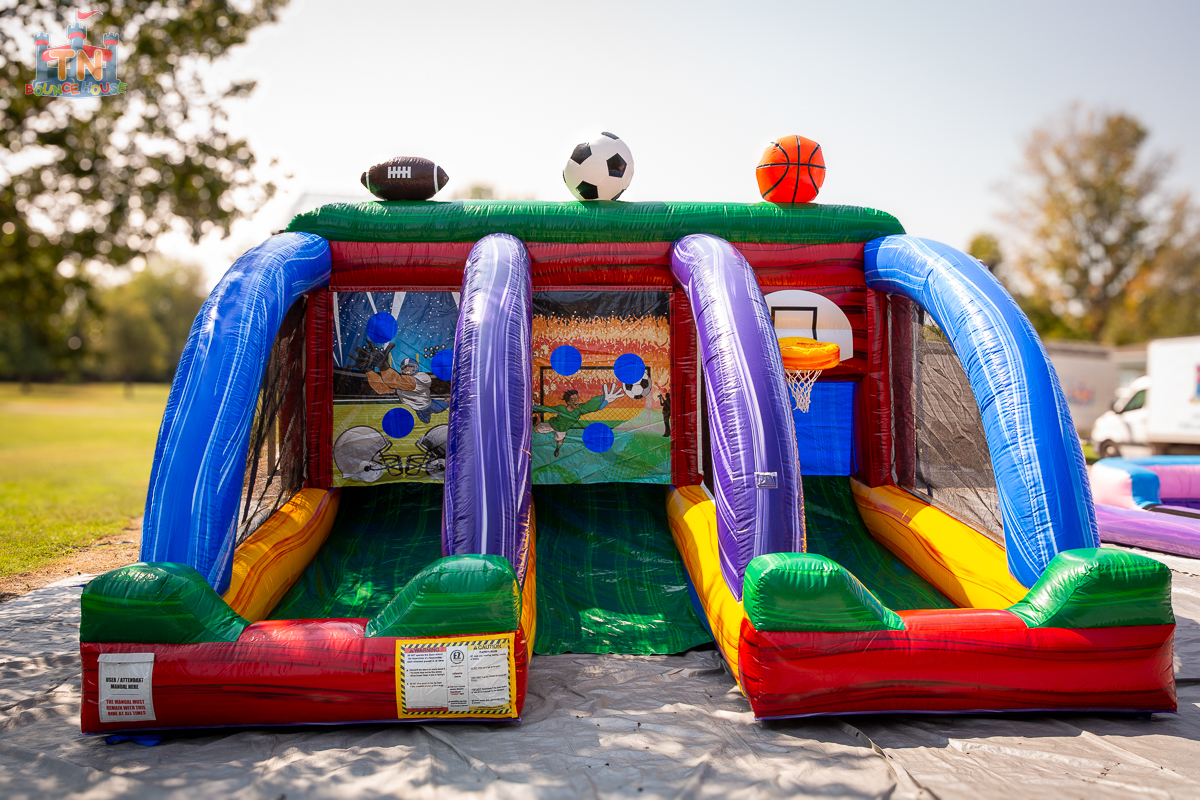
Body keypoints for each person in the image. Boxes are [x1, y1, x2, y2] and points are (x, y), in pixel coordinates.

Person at [534, 383, 624, 457]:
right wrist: (535, 408)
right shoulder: (561, 408)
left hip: (562, 430)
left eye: (577, 399)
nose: (576, 401)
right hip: (552, 424)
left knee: (560, 441)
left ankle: (557, 449)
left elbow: (589, 406)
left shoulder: (579, 410)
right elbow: (547, 409)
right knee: (536, 429)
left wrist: (603, 400)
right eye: (573, 399)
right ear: (568, 402)